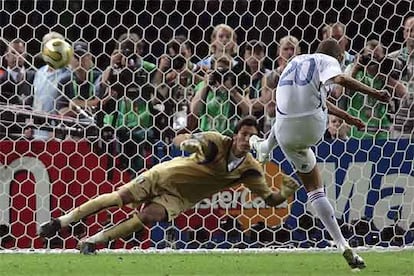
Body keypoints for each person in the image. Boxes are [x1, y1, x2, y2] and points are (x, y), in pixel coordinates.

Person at [38, 116, 300, 254]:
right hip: (164, 175)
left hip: (180, 198)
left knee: (147, 216)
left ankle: (93, 241)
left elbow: (270, 200)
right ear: (235, 135)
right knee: (119, 197)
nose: (247, 139)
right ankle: (60, 222)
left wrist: (286, 191)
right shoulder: (216, 141)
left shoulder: (250, 169)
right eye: (244, 134)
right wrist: (189, 143)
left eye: (252, 136)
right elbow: (181, 139)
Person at [249, 39, 390, 270]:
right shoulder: (328, 60)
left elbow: (316, 99)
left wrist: (346, 117)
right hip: (313, 128)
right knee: (317, 188)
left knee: (311, 186)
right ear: (339, 57)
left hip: (284, 131)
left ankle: (265, 147)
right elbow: (339, 83)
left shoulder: (295, 62)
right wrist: (375, 93)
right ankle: (342, 244)